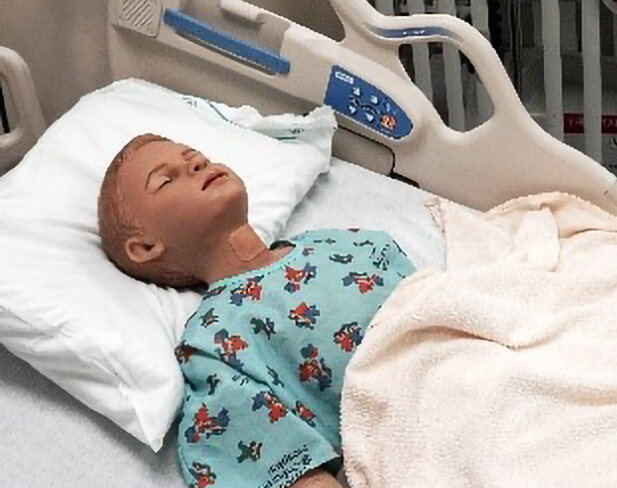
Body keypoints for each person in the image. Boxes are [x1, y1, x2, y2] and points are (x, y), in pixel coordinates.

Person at [97, 133, 416, 488]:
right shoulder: (216, 340)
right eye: (166, 179)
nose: (197, 164)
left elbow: (441, 301)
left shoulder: (348, 242)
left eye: (196, 156)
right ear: (145, 246)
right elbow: (281, 463)